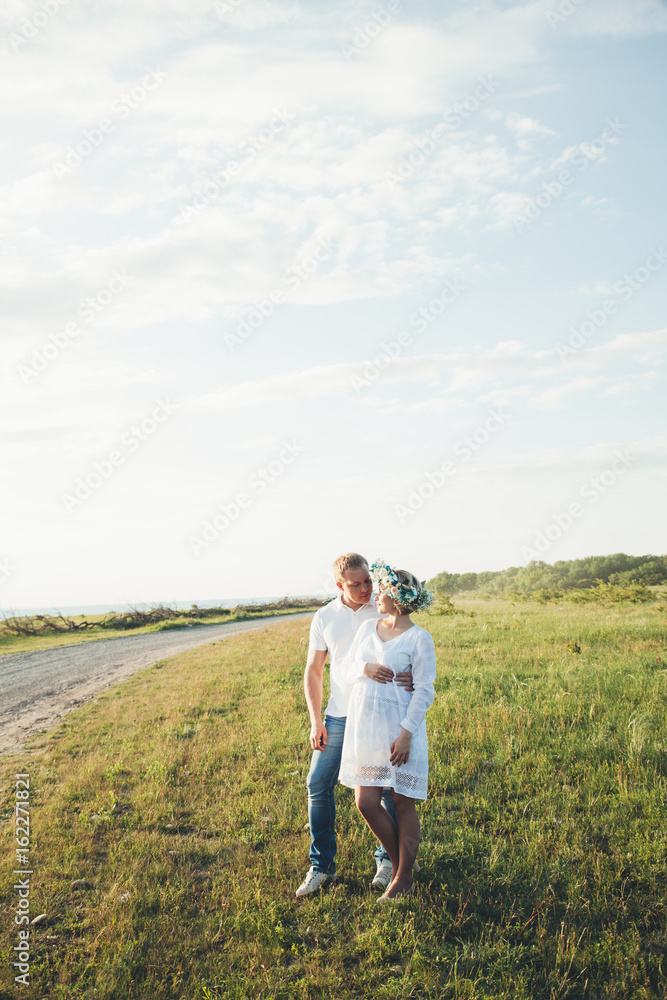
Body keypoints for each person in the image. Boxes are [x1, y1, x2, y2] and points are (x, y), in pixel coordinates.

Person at [296, 552, 415, 897]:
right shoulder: (324, 617)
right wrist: (316, 720)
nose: (366, 589)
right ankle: (322, 866)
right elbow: (314, 671)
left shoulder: (383, 606)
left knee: (388, 790)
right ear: (339, 586)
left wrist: (409, 676)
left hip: (380, 714)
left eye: (368, 582)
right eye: (356, 584)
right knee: (317, 783)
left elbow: (408, 645)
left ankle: (389, 861)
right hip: (340, 713)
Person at [339, 559, 435, 901]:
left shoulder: (420, 639)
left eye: (382, 589)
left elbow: (425, 690)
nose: (376, 594)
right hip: (367, 729)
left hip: (399, 729)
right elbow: (346, 667)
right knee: (365, 801)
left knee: (400, 800)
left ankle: (403, 878)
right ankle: (401, 868)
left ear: (397, 595)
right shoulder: (368, 629)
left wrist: (407, 734)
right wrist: (365, 667)